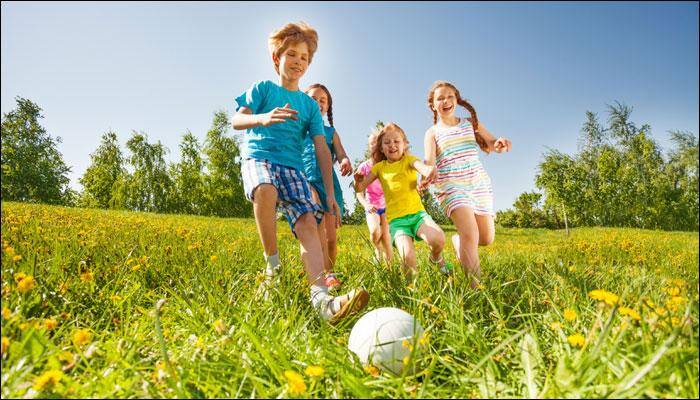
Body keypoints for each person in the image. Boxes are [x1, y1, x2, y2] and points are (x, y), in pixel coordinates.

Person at [231, 21, 368, 325]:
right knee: (265, 190)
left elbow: (322, 148)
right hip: (260, 158)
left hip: (293, 169)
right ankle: (273, 267)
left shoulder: (307, 105)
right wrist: (263, 118)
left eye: (304, 58)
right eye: (291, 54)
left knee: (309, 221)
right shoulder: (263, 89)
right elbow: (236, 121)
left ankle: (322, 301)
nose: (297, 62)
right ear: (276, 58)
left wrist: (330, 195)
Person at [422, 80, 512, 288]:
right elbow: (429, 161)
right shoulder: (432, 132)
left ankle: (458, 243)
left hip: (477, 182)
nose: (445, 101)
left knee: (486, 238)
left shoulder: (471, 123)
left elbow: (491, 143)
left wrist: (499, 144)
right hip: (451, 184)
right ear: (433, 105)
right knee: (470, 233)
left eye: (449, 96)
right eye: (440, 98)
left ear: (457, 100)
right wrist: (427, 173)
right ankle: (476, 289)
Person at [354, 122, 450, 278]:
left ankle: (435, 258)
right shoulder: (379, 168)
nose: (392, 145)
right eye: (387, 142)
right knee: (407, 258)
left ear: (405, 144)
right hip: (397, 222)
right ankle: (413, 292)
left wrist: (429, 170)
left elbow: (422, 168)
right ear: (381, 148)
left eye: (396, 141)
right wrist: (358, 181)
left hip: (418, 215)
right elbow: (360, 188)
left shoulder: (410, 160)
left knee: (438, 238)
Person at [301, 83, 352, 291]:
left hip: (329, 185)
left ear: (327, 107)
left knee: (331, 237)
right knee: (318, 230)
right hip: (306, 181)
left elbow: (340, 153)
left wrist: (344, 161)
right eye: (313, 99)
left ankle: (330, 272)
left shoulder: (331, 132)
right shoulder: (298, 129)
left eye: (323, 100)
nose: (318, 103)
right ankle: (319, 274)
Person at [355, 133, 392, 264]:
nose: (375, 146)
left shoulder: (388, 165)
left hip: (387, 206)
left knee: (387, 237)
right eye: (372, 143)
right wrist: (366, 205)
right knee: (375, 232)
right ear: (369, 147)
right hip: (372, 206)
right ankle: (378, 249)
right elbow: (359, 192)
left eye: (378, 143)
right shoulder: (364, 167)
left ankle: (390, 265)